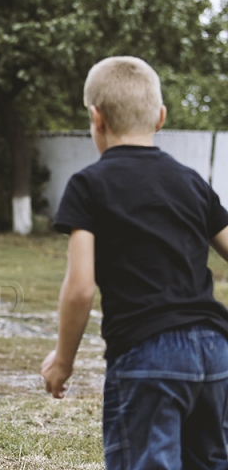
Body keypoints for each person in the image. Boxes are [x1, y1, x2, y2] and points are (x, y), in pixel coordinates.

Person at [40, 56, 228, 469]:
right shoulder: (192, 181)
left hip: (147, 353)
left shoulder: (89, 185)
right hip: (215, 351)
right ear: (160, 117)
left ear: (97, 118)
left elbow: (80, 288)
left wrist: (63, 362)